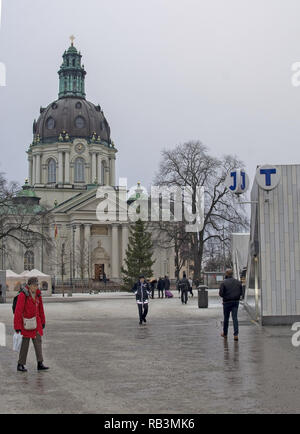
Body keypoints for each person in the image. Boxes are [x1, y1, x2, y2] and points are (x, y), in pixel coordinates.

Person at [14, 277, 49, 372]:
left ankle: (40, 363)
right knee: (25, 344)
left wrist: (43, 321)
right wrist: (17, 326)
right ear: (29, 285)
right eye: (34, 285)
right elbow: (18, 311)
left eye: (37, 285)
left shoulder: (38, 295)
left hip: (36, 322)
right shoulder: (23, 295)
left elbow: (41, 309)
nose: (36, 287)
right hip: (26, 323)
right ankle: (20, 364)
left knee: (38, 342)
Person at [219, 269, 243, 341]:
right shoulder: (238, 282)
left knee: (226, 318)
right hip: (235, 302)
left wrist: (225, 296)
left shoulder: (223, 283)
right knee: (235, 318)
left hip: (227, 302)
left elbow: (221, 294)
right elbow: (241, 292)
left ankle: (225, 333)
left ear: (226, 274)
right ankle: (236, 334)